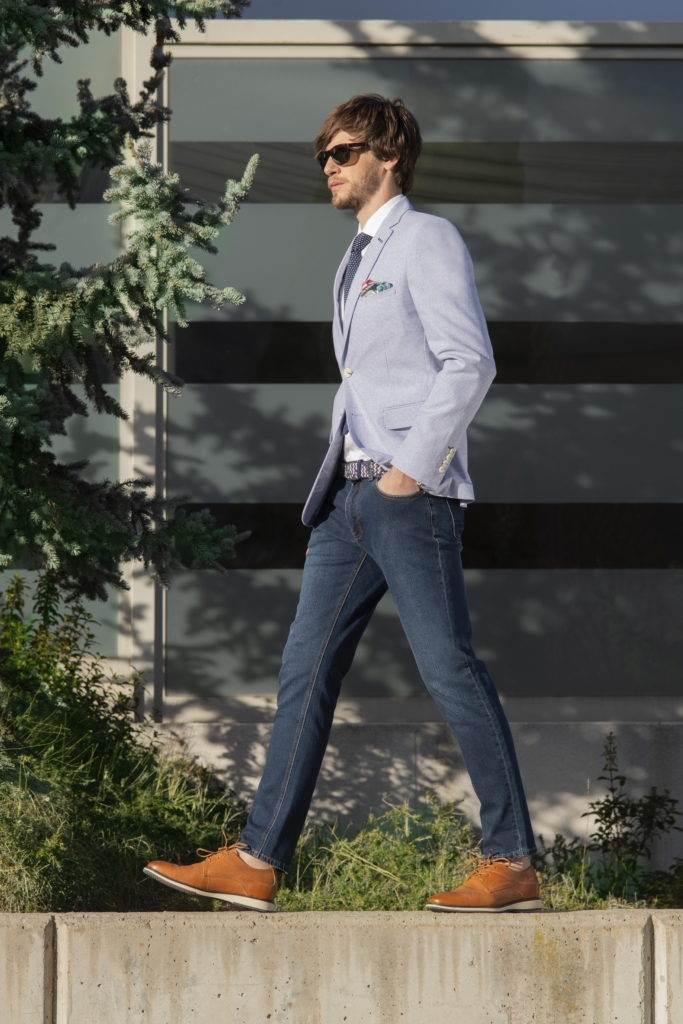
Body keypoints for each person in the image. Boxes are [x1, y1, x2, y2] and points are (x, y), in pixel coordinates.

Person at [145, 94, 541, 914]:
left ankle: (510, 861)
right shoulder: (355, 256)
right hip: (344, 503)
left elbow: (468, 363)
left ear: (389, 156)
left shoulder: (426, 239)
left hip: (405, 496)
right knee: (305, 671)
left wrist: (407, 472)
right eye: (323, 153)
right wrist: (352, 482)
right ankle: (257, 859)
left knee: (448, 668)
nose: (328, 164)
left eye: (345, 150)